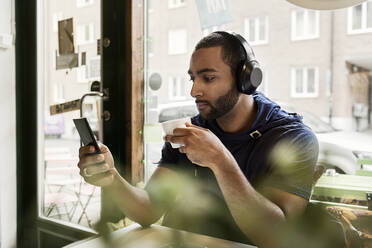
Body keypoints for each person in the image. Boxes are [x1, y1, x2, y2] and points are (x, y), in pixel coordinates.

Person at [78, 31, 319, 248]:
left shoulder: (293, 138)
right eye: (192, 78)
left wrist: (220, 160)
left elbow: (276, 238)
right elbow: (149, 209)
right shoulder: (191, 130)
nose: (194, 90)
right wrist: (111, 177)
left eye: (208, 78)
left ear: (246, 79)